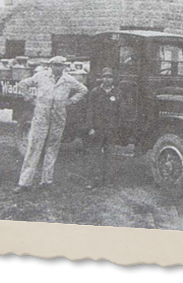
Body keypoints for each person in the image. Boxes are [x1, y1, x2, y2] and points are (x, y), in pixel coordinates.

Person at [14, 55, 88, 193]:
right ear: (50, 65)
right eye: (55, 65)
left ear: (64, 67)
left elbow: (83, 89)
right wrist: (29, 98)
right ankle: (24, 183)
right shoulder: (41, 76)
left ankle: (47, 181)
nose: (58, 68)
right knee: (34, 148)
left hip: (58, 117)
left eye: (61, 65)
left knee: (52, 148)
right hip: (41, 116)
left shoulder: (68, 79)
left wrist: (71, 101)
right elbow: (22, 84)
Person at [85, 67, 121, 189]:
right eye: (105, 76)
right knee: (94, 155)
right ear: (101, 78)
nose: (107, 79)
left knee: (109, 155)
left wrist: (117, 127)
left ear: (113, 79)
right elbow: (90, 111)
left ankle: (107, 181)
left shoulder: (117, 93)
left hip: (110, 129)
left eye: (110, 77)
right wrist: (90, 127)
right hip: (97, 128)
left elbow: (120, 112)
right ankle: (92, 180)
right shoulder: (95, 92)